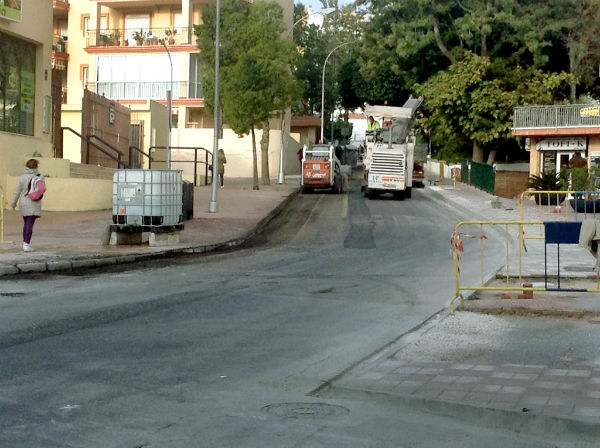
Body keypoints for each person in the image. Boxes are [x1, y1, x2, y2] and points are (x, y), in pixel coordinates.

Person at [10, 159, 43, 252]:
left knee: (26, 223)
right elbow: (43, 189)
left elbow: (17, 191)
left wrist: (13, 203)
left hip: (23, 202)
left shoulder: (22, 177)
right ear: (36, 166)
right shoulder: (39, 177)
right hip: (33, 202)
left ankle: (25, 243)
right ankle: (26, 244)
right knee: (30, 223)